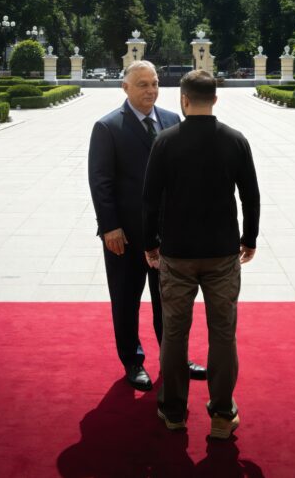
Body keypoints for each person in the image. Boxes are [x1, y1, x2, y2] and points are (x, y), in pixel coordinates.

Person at [143, 70, 260, 439]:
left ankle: (174, 411)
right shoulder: (235, 140)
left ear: (184, 99)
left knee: (175, 333)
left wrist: (149, 242)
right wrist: (250, 238)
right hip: (222, 252)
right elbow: (251, 196)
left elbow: (149, 200)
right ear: (215, 99)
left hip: (177, 253)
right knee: (223, 333)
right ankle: (222, 414)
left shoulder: (165, 142)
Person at [87, 60, 206, 391]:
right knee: (126, 299)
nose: (151, 90)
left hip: (167, 234)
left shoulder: (171, 120)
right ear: (125, 88)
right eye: (143, 84)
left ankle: (174, 357)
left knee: (170, 301)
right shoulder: (108, 127)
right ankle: (133, 361)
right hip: (124, 235)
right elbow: (100, 182)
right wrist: (109, 227)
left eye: (154, 83)